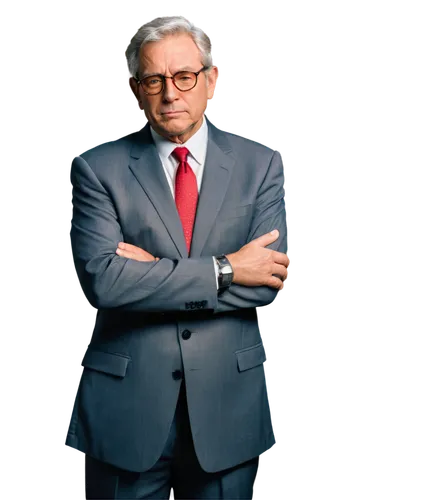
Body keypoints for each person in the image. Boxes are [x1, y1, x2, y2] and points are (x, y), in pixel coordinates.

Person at [64, 13, 291, 500]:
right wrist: (225, 269)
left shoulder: (263, 165)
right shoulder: (96, 169)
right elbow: (104, 282)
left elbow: (269, 282)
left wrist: (151, 277)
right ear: (136, 87)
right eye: (154, 79)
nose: (171, 93)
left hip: (228, 410)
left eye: (185, 76)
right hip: (127, 411)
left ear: (214, 81)